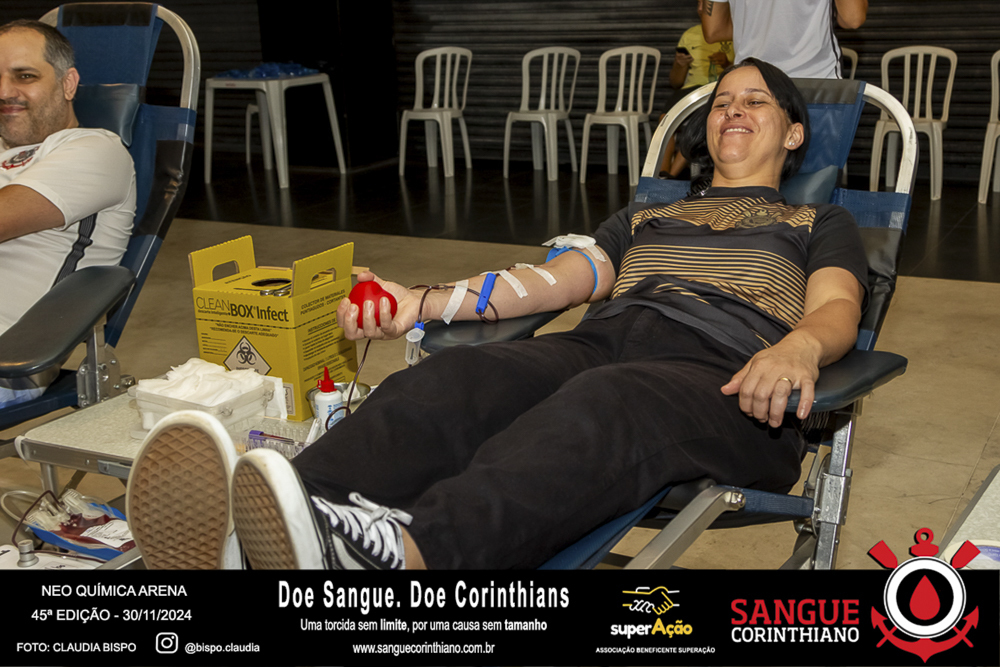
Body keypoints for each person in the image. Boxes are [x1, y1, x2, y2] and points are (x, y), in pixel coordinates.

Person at [128, 59, 868, 571]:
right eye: (722, 102)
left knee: (604, 400)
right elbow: (546, 284)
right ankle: (272, 526)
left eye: (755, 101)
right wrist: (420, 301)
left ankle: (415, 554)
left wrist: (799, 349)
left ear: (794, 134)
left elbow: (837, 306)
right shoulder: (647, 217)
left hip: (726, 377)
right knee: (453, 379)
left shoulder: (816, 221)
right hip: (605, 344)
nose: (732, 110)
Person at [0, 19, 136, 408]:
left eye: (25, 76)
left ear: (68, 83)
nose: (5, 92)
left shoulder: (95, 150)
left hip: (9, 361)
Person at [701, 0, 868, 79]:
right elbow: (852, 18)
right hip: (813, 80)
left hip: (753, 81)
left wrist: (763, 26)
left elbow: (714, 30)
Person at [661, 0, 734, 177]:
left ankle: (670, 176)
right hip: (691, 90)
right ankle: (662, 172)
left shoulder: (732, 33)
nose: (701, 8)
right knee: (665, 120)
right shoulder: (690, 35)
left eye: (705, 3)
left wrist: (726, 63)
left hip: (719, 88)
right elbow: (676, 82)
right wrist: (679, 64)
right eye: (699, 3)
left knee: (700, 121)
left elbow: (742, 72)